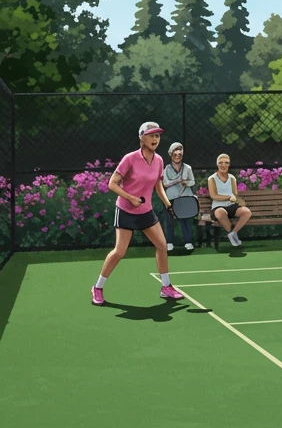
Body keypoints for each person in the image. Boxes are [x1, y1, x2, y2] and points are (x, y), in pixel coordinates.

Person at [92, 122, 185, 305]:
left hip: (146, 211)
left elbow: (158, 184)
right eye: (151, 135)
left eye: (157, 136)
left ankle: (166, 287)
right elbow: (112, 183)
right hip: (126, 210)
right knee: (119, 252)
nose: (155, 139)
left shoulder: (158, 160)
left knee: (162, 245)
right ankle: (98, 287)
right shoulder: (130, 158)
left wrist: (168, 204)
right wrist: (131, 198)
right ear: (142, 138)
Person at [208, 154, 253, 247]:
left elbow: (235, 194)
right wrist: (228, 197)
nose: (223, 165)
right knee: (221, 212)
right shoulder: (212, 178)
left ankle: (233, 233)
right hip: (218, 207)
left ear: (229, 164)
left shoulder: (232, 178)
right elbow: (214, 196)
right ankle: (232, 234)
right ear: (217, 164)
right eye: (221, 163)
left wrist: (238, 200)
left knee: (247, 212)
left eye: (226, 163)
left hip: (232, 206)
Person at [161, 142, 197, 251]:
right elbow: (166, 183)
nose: (177, 156)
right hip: (171, 198)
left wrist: (186, 183)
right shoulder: (166, 169)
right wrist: (178, 181)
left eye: (179, 154)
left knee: (185, 220)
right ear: (171, 155)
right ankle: (169, 242)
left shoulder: (188, 168)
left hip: (184, 199)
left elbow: (192, 181)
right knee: (169, 221)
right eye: (175, 154)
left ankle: (188, 242)